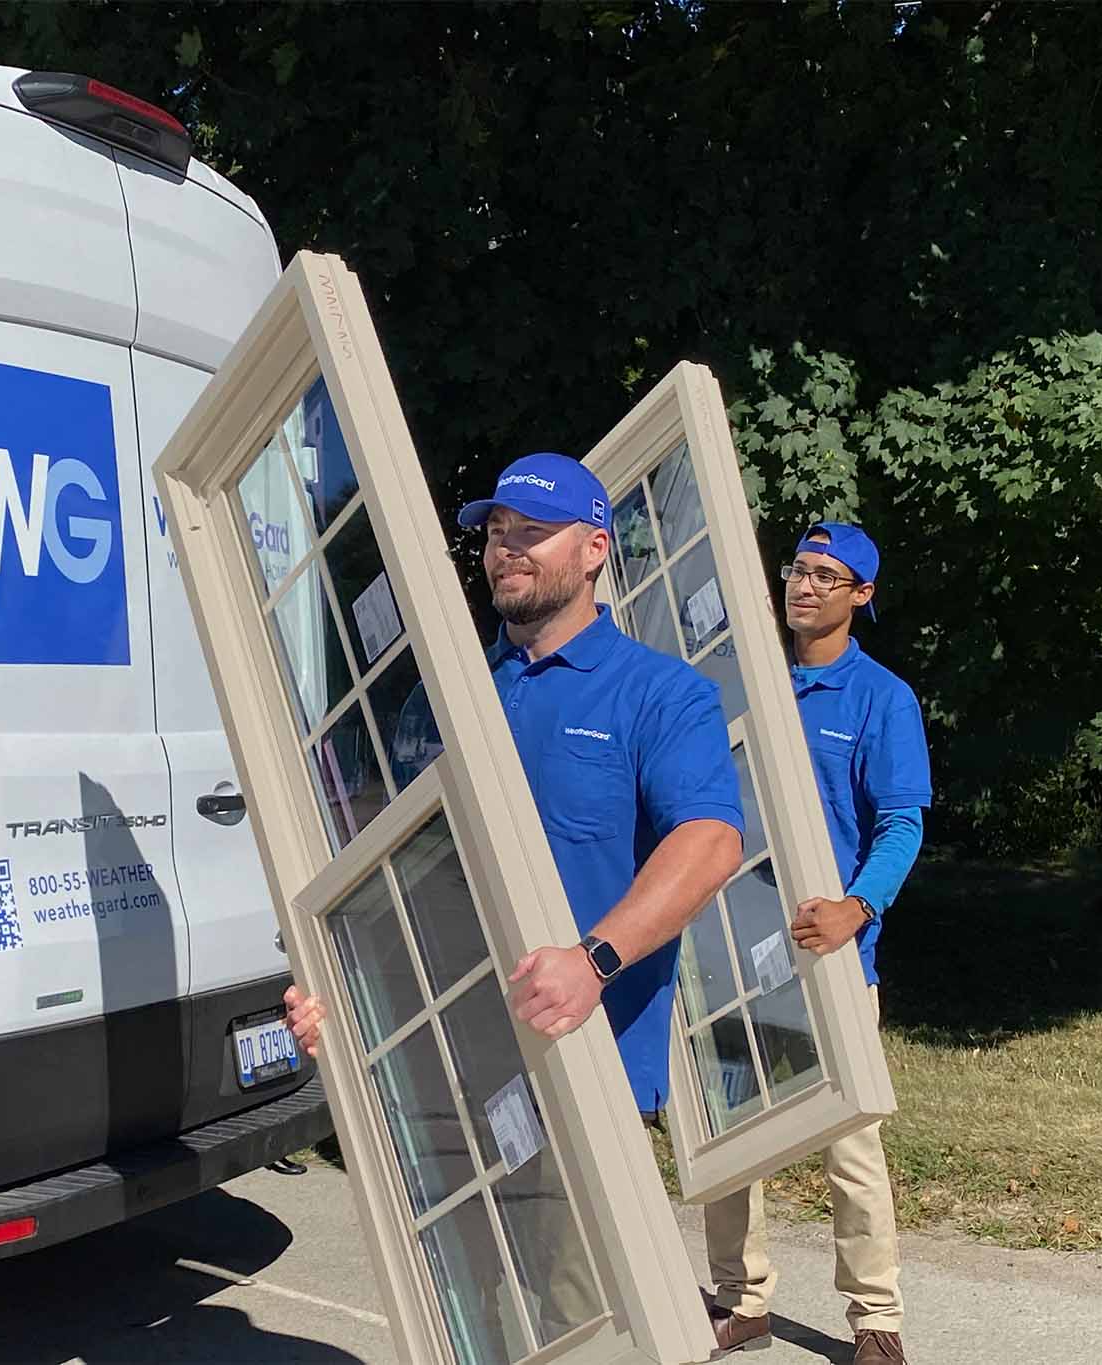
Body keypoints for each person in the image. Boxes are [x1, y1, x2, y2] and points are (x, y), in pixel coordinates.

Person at [284, 448, 742, 1121]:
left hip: (583, 1065)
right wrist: (342, 992)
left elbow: (711, 843)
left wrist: (591, 963)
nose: (507, 549)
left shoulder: (662, 695)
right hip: (438, 1061)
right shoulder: (445, 695)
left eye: (534, 530)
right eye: (499, 529)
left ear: (593, 550)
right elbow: (397, 863)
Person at [704, 523, 931, 1365]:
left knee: (852, 1144)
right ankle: (742, 1300)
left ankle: (876, 1320)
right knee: (730, 1135)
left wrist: (857, 908)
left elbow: (901, 824)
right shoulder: (744, 684)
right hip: (735, 954)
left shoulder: (882, 698)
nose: (803, 585)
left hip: (832, 953)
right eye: (797, 569)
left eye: (826, 575)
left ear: (860, 595)